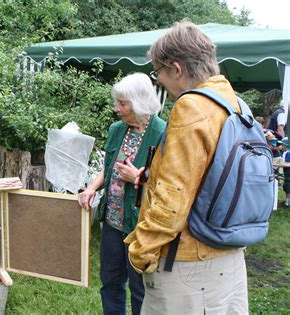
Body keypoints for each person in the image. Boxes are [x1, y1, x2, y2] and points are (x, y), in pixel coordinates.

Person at [124, 21, 249, 314]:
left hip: (188, 265)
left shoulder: (191, 107)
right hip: (230, 252)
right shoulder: (236, 104)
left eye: (159, 73)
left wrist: (140, 250)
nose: (160, 82)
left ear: (176, 69)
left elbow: (172, 199)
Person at [78, 73, 165, 315]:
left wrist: (138, 176)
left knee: (140, 289)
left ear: (138, 103)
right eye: (117, 102)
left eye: (122, 103)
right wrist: (92, 188)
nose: (116, 108)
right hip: (113, 223)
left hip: (139, 225)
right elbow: (108, 168)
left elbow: (168, 182)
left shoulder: (162, 132)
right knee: (110, 281)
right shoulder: (117, 129)